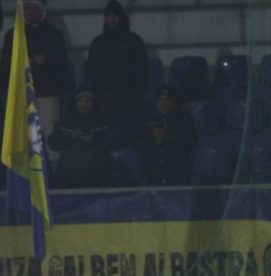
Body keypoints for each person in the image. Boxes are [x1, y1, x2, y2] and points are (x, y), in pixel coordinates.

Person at [0, 0, 70, 162]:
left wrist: (46, 61)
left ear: (42, 10)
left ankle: (52, 165)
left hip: (48, 92)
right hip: (22, 93)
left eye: (35, 8)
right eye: (28, 8)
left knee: (49, 130)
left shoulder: (54, 35)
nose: (32, 12)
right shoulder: (13, 35)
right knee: (23, 132)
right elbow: (5, 64)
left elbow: (62, 63)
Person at [86, 2, 149, 132]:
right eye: (109, 16)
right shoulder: (98, 43)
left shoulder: (134, 41)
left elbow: (143, 70)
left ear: (121, 17)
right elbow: (91, 72)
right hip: (104, 100)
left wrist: (137, 96)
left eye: (115, 15)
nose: (112, 19)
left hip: (129, 98)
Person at [47, 87, 111, 189]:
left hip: (98, 179)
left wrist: (95, 139)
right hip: (68, 179)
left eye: (88, 100)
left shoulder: (103, 122)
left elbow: (114, 142)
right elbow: (53, 143)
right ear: (75, 103)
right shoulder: (64, 122)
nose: (84, 104)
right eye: (81, 101)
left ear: (93, 103)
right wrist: (71, 137)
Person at [138, 86, 197, 186]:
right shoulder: (146, 120)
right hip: (152, 176)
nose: (163, 104)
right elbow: (139, 145)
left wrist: (167, 136)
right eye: (160, 99)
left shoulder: (185, 119)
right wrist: (156, 141)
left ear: (174, 102)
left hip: (177, 175)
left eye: (168, 99)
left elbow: (190, 142)